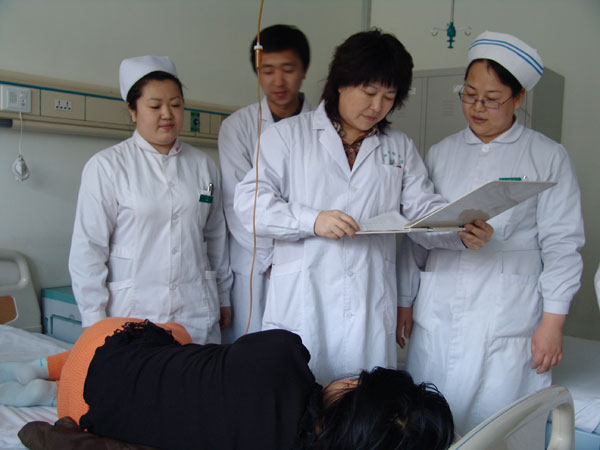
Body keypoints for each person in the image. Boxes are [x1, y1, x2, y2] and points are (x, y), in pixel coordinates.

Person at [234, 29, 493, 385]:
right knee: (300, 398)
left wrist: (459, 231)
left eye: (389, 97)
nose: (377, 107)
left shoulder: (399, 146)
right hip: (304, 300)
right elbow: (250, 204)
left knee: (363, 404)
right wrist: (312, 220)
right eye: (369, 93)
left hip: (369, 301)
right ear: (341, 82)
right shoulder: (287, 137)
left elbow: (422, 211)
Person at [397, 31, 585, 434]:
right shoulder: (441, 152)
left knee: (497, 422)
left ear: (518, 98)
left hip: (507, 312)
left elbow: (562, 244)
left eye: (492, 98)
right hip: (440, 305)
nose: (477, 107)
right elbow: (417, 234)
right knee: (430, 418)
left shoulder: (547, 156)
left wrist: (553, 323)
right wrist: (404, 300)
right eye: (469, 95)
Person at [2, 318, 455, 450]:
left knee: (176, 334)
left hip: (98, 351)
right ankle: (47, 390)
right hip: (82, 414)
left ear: (351, 388)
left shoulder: (284, 352)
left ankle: (43, 366)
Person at [69, 56, 233, 344]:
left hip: (196, 311)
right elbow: (89, 249)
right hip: (134, 312)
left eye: (176, 105)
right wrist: (92, 318)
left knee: (199, 372)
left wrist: (223, 296)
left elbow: (216, 237)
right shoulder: (107, 167)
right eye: (155, 106)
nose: (167, 114)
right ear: (133, 111)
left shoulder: (203, 166)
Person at [218, 25, 314, 343]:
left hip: (308, 257)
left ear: (303, 70)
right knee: (253, 348)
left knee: (306, 349)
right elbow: (238, 206)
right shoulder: (238, 127)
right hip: (255, 262)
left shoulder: (323, 127)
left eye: (288, 69)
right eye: (267, 71)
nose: (278, 81)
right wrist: (273, 259)